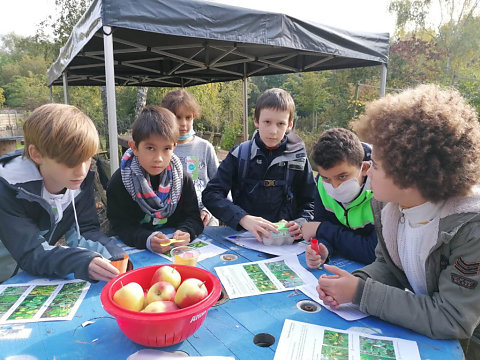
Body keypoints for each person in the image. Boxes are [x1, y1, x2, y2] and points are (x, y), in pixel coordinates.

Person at [315, 84, 480, 359]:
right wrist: (357, 280)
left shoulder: (469, 229)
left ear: (412, 176)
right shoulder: (392, 207)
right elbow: (389, 265)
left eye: (376, 165)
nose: (367, 170)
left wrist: (362, 293)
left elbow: (452, 318)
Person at [0, 103, 125, 283]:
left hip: (29, 278)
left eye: (87, 158)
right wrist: (80, 261)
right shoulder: (8, 190)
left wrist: (115, 256)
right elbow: (31, 252)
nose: (81, 171)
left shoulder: (77, 182)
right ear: (36, 154)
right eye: (70, 161)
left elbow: (86, 229)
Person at [202, 88, 315, 241]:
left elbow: (312, 202)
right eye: (267, 122)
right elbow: (211, 194)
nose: (273, 131)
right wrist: (242, 218)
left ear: (289, 125)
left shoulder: (299, 158)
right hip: (244, 238)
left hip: (286, 242)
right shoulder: (240, 154)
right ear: (256, 121)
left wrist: (300, 223)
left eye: (280, 124)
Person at [107, 106, 203, 254]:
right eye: (150, 148)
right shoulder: (120, 182)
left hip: (174, 254)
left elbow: (193, 217)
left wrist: (187, 231)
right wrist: (146, 239)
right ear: (134, 147)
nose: (158, 158)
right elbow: (119, 225)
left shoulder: (182, 179)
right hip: (135, 253)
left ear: (174, 147)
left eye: (166, 149)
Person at [303, 128, 377, 268]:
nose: (335, 185)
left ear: (365, 168)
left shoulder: (381, 190)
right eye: (327, 178)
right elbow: (323, 226)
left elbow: (374, 252)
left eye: (342, 176)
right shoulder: (321, 183)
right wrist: (324, 248)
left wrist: (322, 229)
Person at [161, 89, 220, 226]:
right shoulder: (161, 150)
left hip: (204, 219)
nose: (183, 123)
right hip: (171, 220)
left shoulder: (205, 147)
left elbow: (219, 186)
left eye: (188, 117)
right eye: (177, 117)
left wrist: (208, 210)